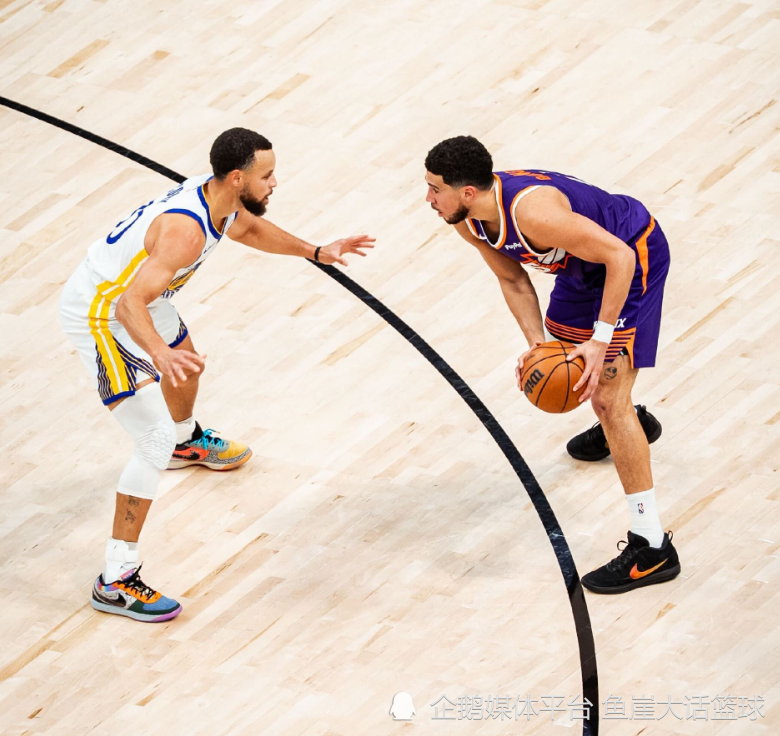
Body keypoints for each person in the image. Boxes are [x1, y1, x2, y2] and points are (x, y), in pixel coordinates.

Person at [60, 127, 374, 621]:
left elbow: (247, 230)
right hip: (103, 312)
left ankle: (186, 442)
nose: (275, 183)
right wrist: (157, 352)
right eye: (267, 176)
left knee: (188, 367)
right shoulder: (184, 232)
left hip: (142, 297)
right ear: (237, 178)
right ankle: (115, 580)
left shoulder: (220, 201)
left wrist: (316, 251)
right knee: (151, 438)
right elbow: (127, 305)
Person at [423, 135, 679, 594]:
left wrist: (601, 339)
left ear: (467, 192)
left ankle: (652, 548)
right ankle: (629, 424)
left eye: (435, 189)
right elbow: (512, 278)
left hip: (630, 254)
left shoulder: (533, 213)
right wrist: (536, 345)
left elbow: (619, 257)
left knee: (606, 396)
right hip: (581, 267)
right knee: (570, 364)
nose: (428, 198)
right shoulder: (468, 220)